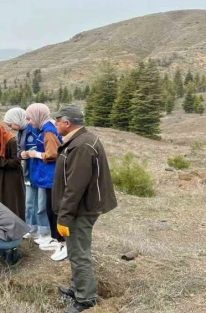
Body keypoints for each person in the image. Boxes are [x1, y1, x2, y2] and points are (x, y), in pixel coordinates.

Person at [51, 105, 118, 313]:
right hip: (79, 208)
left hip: (81, 210)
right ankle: (78, 287)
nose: (55, 124)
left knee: (79, 253)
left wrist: (64, 216)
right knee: (75, 250)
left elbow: (75, 186)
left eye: (58, 120)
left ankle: (86, 299)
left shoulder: (81, 146)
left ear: (67, 123)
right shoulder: (81, 140)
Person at [24, 103, 66, 261]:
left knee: (52, 208)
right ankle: (54, 239)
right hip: (45, 176)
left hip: (50, 176)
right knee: (47, 207)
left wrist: (35, 154)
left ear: (38, 115)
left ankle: (58, 241)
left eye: (30, 118)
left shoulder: (48, 131)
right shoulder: (44, 129)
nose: (29, 122)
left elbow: (53, 154)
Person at [4, 108, 47, 240]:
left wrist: (29, 153)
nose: (11, 128)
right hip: (28, 171)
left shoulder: (33, 129)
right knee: (29, 203)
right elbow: (19, 151)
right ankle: (31, 228)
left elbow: (41, 148)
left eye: (11, 124)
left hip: (39, 171)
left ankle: (44, 232)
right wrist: (21, 155)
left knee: (40, 203)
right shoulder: (20, 133)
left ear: (17, 120)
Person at [0, 122, 25, 219]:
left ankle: (14, 223)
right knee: (0, 199)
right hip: (0, 175)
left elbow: (16, 161)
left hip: (12, 177)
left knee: (11, 201)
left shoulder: (11, 141)